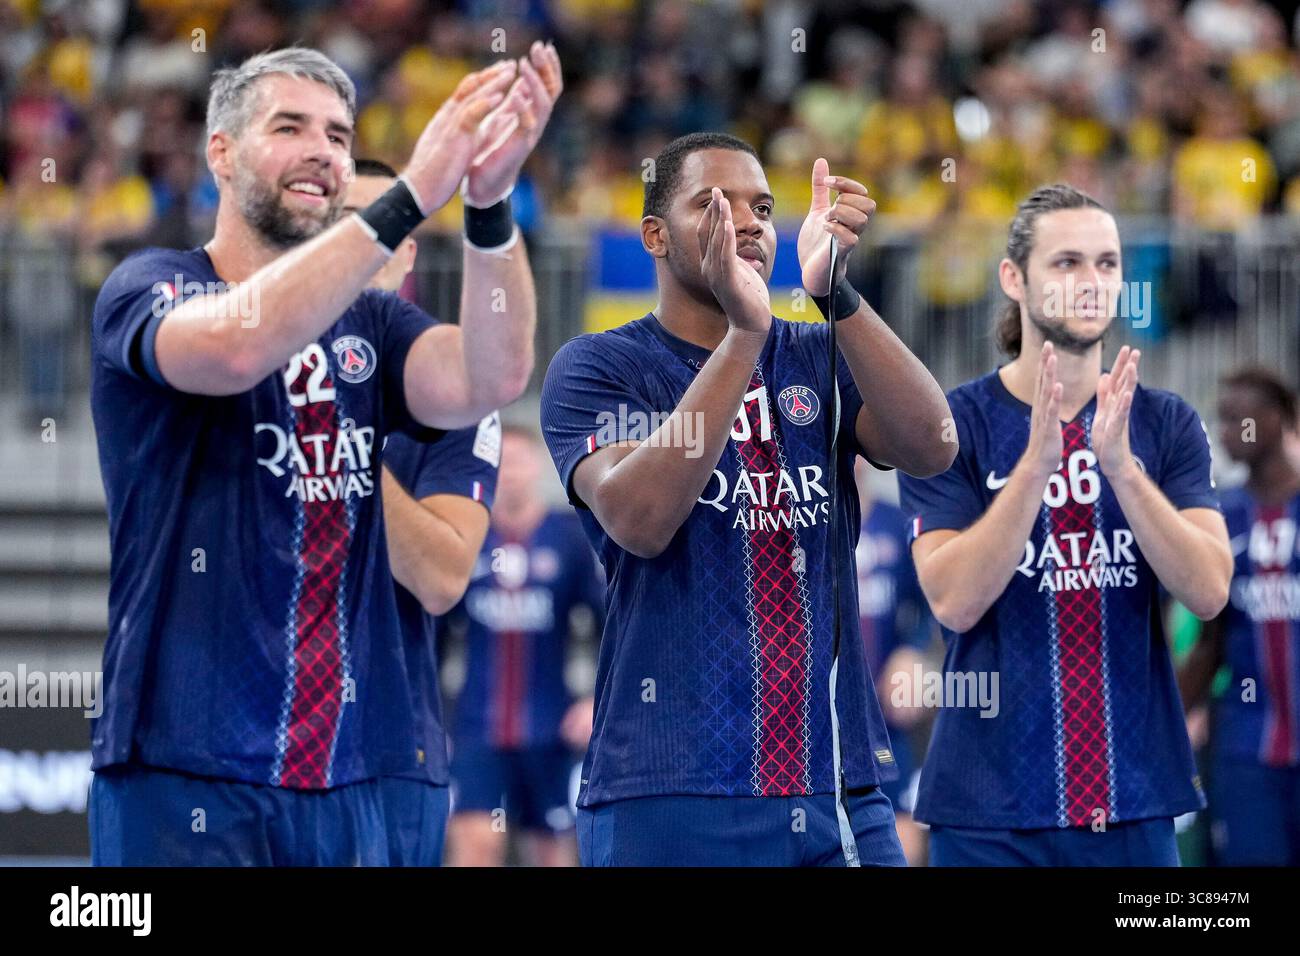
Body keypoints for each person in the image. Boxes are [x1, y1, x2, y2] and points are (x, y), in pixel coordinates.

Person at [88, 44, 562, 865]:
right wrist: (413, 194)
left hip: (339, 773)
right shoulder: (152, 284)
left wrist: (488, 205)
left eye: (339, 136)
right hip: (179, 763)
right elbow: (239, 347)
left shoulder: (373, 326)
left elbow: (493, 374)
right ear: (221, 152)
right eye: (291, 126)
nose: (324, 151)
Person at [540, 131, 954, 866]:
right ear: (655, 236)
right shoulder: (600, 365)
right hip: (668, 788)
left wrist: (838, 296)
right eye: (713, 203)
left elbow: (932, 443)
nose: (748, 220)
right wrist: (744, 336)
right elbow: (639, 520)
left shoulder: (816, 355)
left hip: (836, 784)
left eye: (761, 205)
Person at [899, 183, 1233, 866]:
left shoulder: (1165, 422)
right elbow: (955, 602)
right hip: (986, 810)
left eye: (1108, 264)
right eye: (1068, 263)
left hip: (1133, 797)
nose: (1093, 282)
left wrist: (1123, 471)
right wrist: (1034, 468)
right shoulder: (951, 424)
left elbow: (1208, 590)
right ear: (1014, 278)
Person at [342, 158, 503, 866]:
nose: (359, 244)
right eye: (340, 225)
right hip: (247, 740)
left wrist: (336, 431)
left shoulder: (455, 394)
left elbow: (442, 577)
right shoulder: (246, 362)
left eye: (383, 229)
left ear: (407, 252)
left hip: (386, 747)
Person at [445, 425, 603, 867]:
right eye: (501, 464)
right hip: (477, 728)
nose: (510, 473)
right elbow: (433, 628)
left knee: (552, 851)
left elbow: (609, 623)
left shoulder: (569, 537)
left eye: (518, 462)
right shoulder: (467, 539)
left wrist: (595, 700)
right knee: (477, 846)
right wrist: (429, 713)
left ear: (536, 466)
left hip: (550, 727)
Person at [1181, 367, 1300, 865]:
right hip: (1247, 754)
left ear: (1274, 421)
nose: (1224, 432)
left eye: (1237, 420)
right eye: (1221, 419)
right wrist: (1159, 722)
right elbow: (1210, 645)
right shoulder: (1221, 518)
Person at [853, 462, 935, 865]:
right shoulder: (798, 525)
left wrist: (913, 653)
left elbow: (933, 603)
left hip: (883, 717)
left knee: (899, 831)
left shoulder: (896, 524)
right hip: (814, 715)